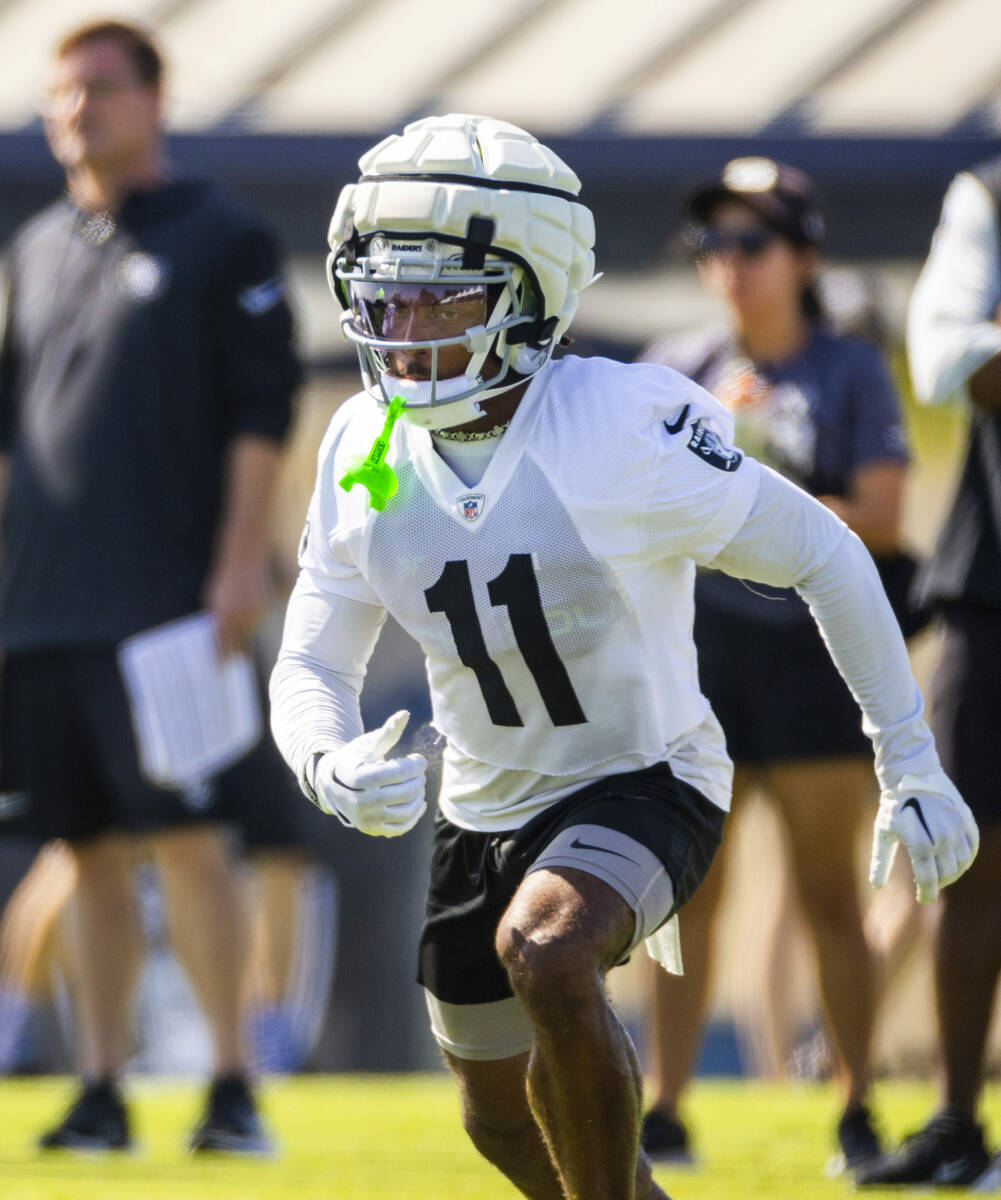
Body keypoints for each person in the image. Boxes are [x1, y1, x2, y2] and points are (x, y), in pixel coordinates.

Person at [269, 113, 978, 1200]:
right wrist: (324, 758)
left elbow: (826, 554)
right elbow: (311, 660)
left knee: (547, 951)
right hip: (479, 805)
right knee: (498, 1118)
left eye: (439, 295)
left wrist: (907, 758)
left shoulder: (617, 425)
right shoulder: (361, 442)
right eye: (384, 293)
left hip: (643, 777)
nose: (402, 326)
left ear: (532, 293)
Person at [0, 20, 300, 1151]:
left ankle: (231, 1086)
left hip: (168, 606)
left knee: (190, 840)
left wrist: (234, 569)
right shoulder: (36, 248)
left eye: (101, 90)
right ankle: (101, 1089)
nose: (78, 110)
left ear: (153, 101)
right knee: (82, 852)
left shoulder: (221, 239)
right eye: (61, 93)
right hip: (45, 609)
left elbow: (259, 416)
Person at [637, 158, 914, 1174]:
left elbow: (880, 520)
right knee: (685, 889)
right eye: (712, 244)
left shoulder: (844, 369)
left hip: (809, 658)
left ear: (801, 255)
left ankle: (853, 1103)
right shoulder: (676, 364)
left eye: (751, 242)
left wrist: (762, 477)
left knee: (824, 891)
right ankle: (663, 1108)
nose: (729, 264)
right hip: (698, 658)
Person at [854, 157, 1001, 1189]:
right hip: (993, 583)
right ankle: (955, 1121)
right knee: (967, 859)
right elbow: (950, 355)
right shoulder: (985, 193)